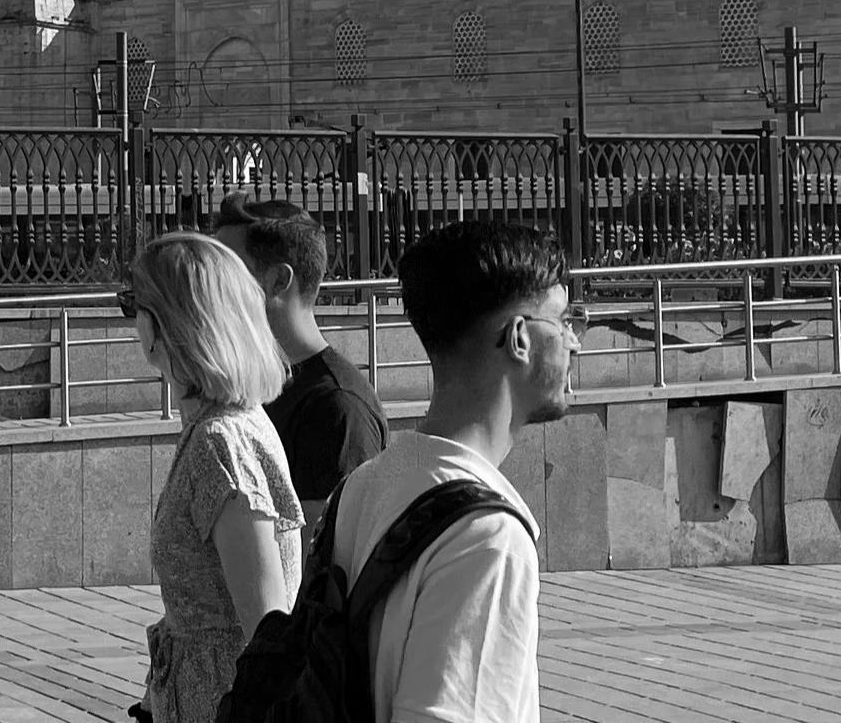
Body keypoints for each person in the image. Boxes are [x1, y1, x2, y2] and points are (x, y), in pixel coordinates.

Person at [327, 218, 579, 723]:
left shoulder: (365, 483)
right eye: (565, 320)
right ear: (519, 338)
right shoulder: (486, 538)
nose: (576, 342)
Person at [122, 231, 302, 723]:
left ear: (166, 321)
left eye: (132, 303)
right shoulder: (219, 424)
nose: (130, 320)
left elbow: (266, 627)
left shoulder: (220, 442)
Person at [209, 196, 386, 516]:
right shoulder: (255, 389)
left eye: (226, 271)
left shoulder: (336, 409)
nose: (211, 287)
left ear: (278, 281)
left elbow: (320, 560)